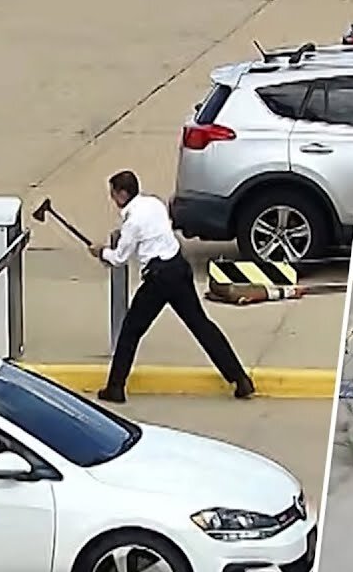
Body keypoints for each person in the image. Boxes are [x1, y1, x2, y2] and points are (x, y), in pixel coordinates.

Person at [90, 170, 254, 403]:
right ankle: (239, 378)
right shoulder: (154, 203)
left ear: (123, 194)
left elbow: (119, 258)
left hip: (158, 278)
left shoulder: (132, 222)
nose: (112, 199)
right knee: (201, 325)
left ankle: (115, 387)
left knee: (130, 331)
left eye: (113, 194)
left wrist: (100, 252)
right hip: (179, 267)